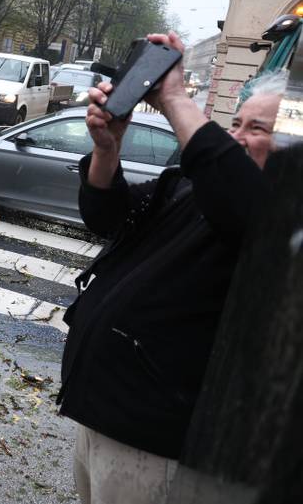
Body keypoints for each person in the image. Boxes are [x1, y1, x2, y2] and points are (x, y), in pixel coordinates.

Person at [57, 31, 284, 504]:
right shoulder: (193, 187)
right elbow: (108, 217)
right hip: (103, 416)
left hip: (158, 447)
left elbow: (243, 206)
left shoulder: (279, 216)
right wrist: (106, 150)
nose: (237, 137)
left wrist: (176, 97)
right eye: (236, 123)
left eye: (258, 129)